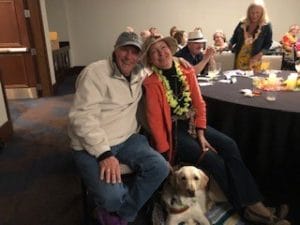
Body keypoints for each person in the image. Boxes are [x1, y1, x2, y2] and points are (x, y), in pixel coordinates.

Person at [141, 35, 290, 225]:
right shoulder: (151, 83)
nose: (161, 53)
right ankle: (250, 210)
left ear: (170, 49)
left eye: (163, 48)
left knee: (230, 145)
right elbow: (155, 121)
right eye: (155, 52)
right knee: (213, 159)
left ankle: (255, 204)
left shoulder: (186, 70)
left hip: (193, 125)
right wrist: (164, 153)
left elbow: (199, 103)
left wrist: (201, 132)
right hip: (174, 133)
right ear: (151, 59)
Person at [68, 31, 169, 225]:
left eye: (135, 52)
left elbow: (164, 63)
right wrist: (104, 154)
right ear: (115, 49)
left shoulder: (140, 71)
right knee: (111, 197)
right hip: (91, 146)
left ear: (140, 56)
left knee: (160, 168)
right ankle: (121, 210)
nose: (129, 57)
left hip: (128, 139)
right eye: (125, 50)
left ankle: (120, 215)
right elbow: (81, 117)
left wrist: (183, 63)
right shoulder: (94, 73)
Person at [229, 1, 272, 71]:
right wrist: (227, 45)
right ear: (248, 12)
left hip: (254, 59)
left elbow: (268, 44)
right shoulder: (242, 22)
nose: (254, 15)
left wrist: (259, 55)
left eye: (257, 12)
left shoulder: (266, 25)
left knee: (252, 79)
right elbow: (234, 38)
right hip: (240, 58)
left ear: (262, 13)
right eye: (252, 12)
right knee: (239, 78)